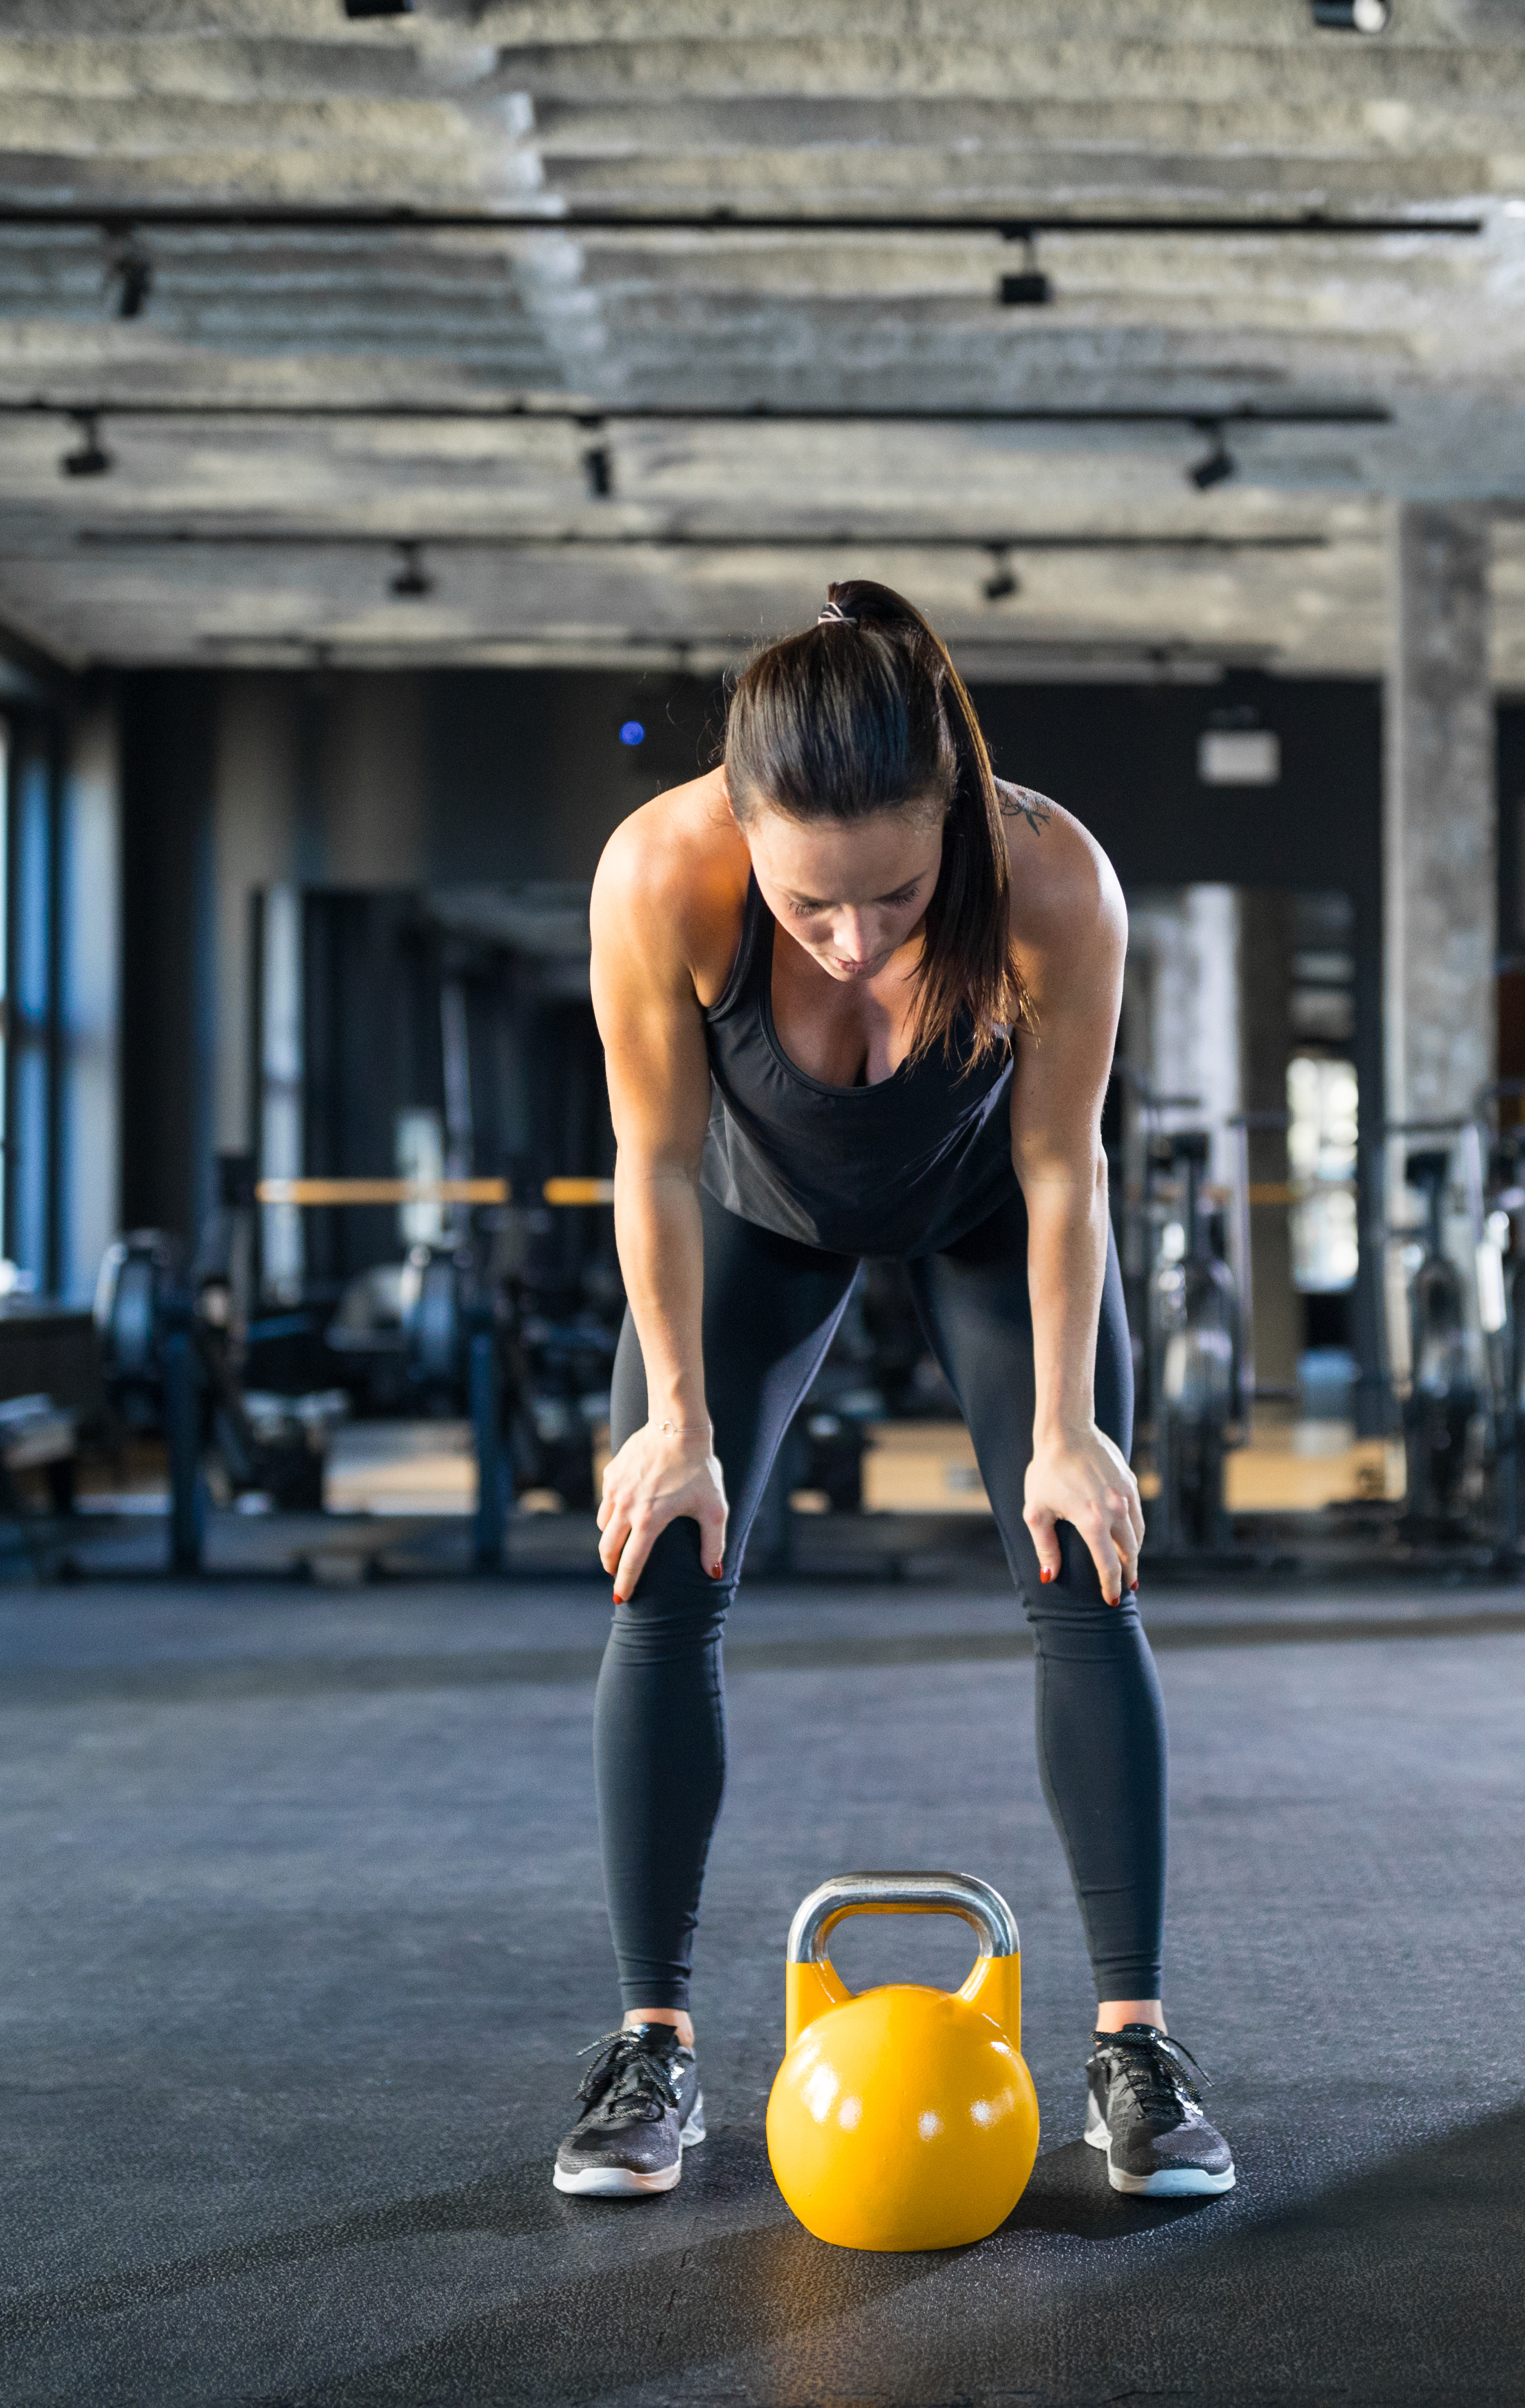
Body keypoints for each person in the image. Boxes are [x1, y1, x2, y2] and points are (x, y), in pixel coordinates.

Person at [553, 580, 1234, 2204]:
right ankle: (654, 2043)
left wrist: (1068, 1432)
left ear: (956, 818)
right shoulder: (662, 870)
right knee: (665, 1559)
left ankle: (1132, 2046)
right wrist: (675, 1427)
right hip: (749, 1218)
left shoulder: (1055, 877)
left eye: (898, 897)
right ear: (743, 837)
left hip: (988, 1215)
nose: (856, 940)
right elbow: (649, 1159)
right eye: (810, 912)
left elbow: (1063, 1165)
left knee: (1086, 1562)